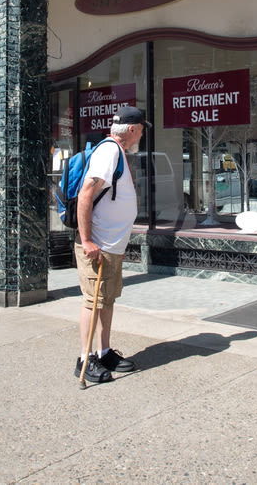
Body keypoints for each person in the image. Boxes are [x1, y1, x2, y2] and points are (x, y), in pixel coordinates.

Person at [73, 105, 148, 383]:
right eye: (140, 129)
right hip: (98, 246)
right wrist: (88, 240)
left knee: (107, 299)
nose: (141, 134)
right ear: (131, 129)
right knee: (93, 301)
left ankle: (104, 352)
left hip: (111, 246)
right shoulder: (109, 151)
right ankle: (85, 358)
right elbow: (85, 196)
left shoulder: (118, 152)